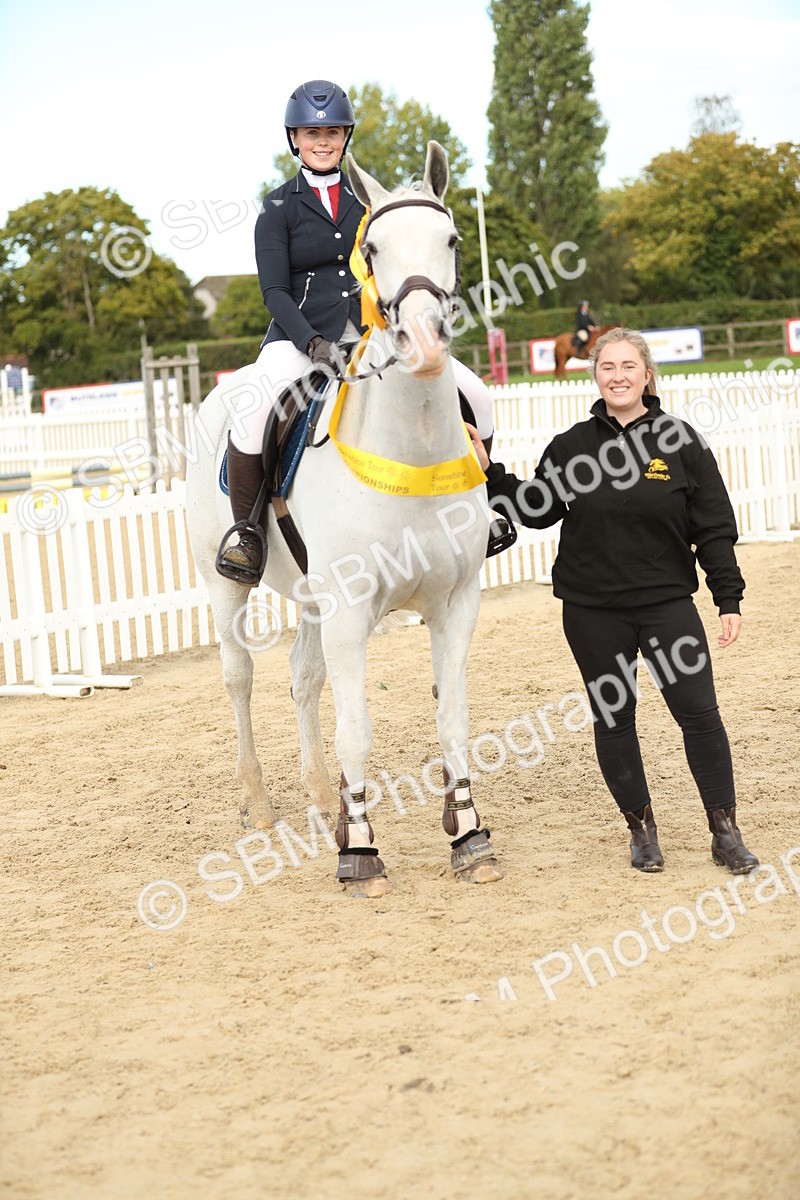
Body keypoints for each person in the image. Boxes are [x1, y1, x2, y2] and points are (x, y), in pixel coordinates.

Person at [468, 327, 759, 876]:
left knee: (699, 715)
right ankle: (641, 831)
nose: (618, 376)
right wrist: (487, 469)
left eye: (629, 366)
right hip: (592, 609)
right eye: (608, 367)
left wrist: (728, 596)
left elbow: (714, 526)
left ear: (647, 375)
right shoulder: (573, 446)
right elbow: (535, 507)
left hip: (667, 605)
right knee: (615, 716)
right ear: (596, 375)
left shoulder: (681, 441)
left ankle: (725, 832)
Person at [217, 79, 497, 584]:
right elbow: (275, 292)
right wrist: (312, 342)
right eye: (311, 132)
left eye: (332, 132)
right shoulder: (277, 207)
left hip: (375, 335)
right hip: (300, 338)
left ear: (345, 136)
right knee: (251, 407)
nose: (322, 141)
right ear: (294, 139)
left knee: (476, 392)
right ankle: (247, 533)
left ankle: (483, 504)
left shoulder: (372, 199)